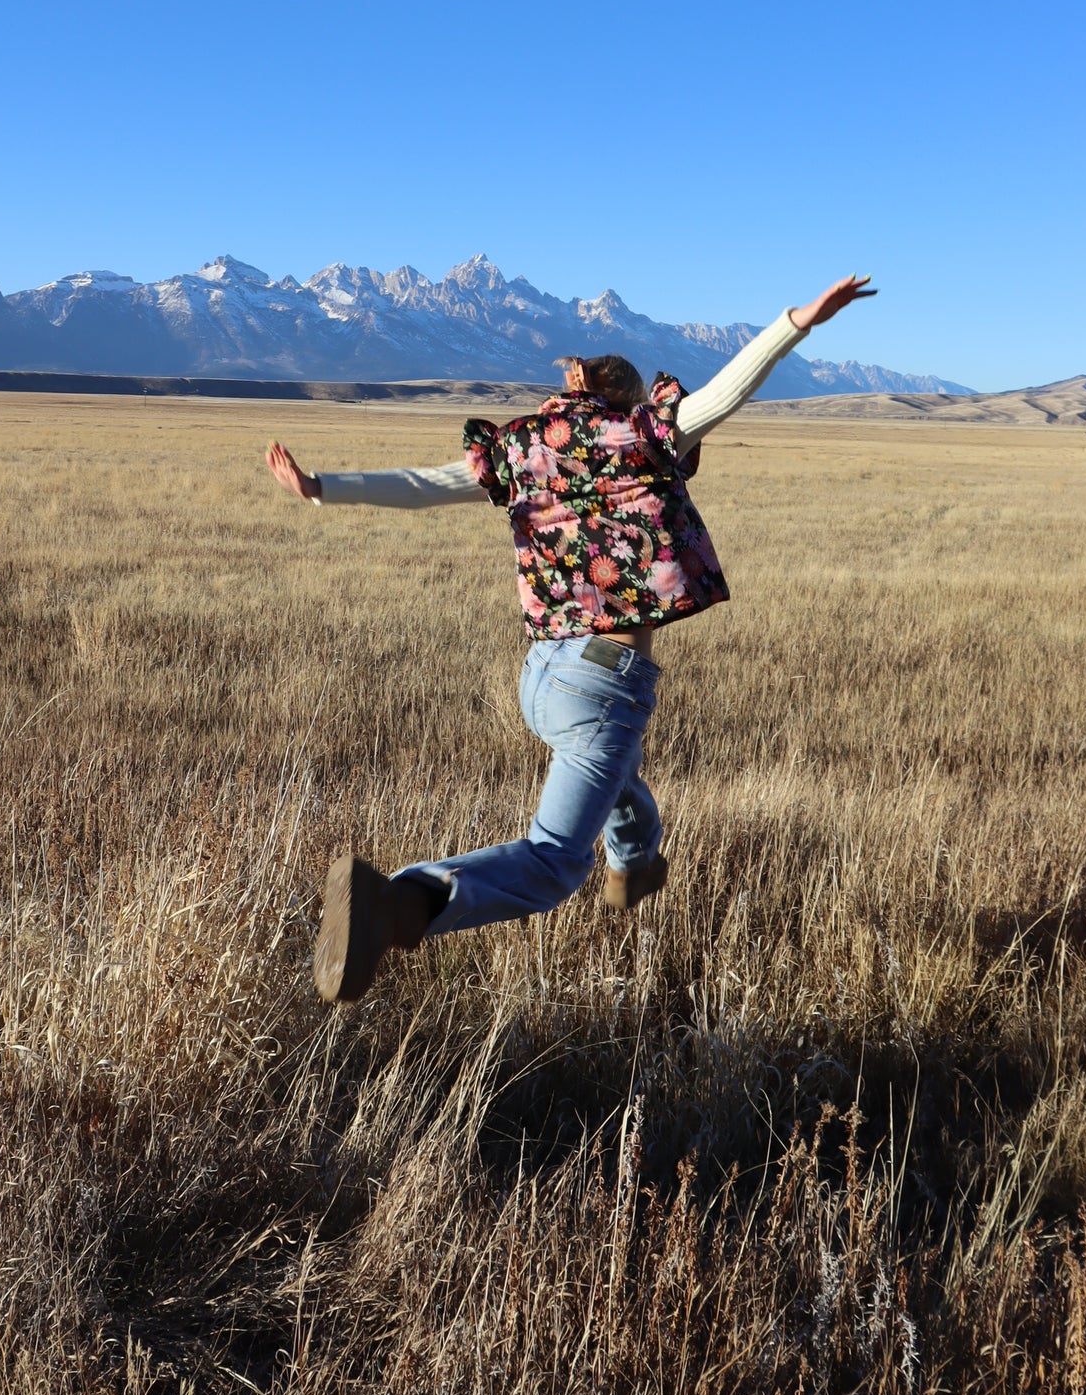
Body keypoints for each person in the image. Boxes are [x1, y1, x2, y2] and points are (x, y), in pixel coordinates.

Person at [266, 275, 875, 1002]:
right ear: (625, 402)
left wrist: (322, 487)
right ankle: (395, 905)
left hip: (540, 679)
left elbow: (426, 483)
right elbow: (723, 394)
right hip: (602, 685)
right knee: (552, 863)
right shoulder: (638, 437)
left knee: (614, 768)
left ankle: (633, 862)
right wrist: (797, 321)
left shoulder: (526, 450)